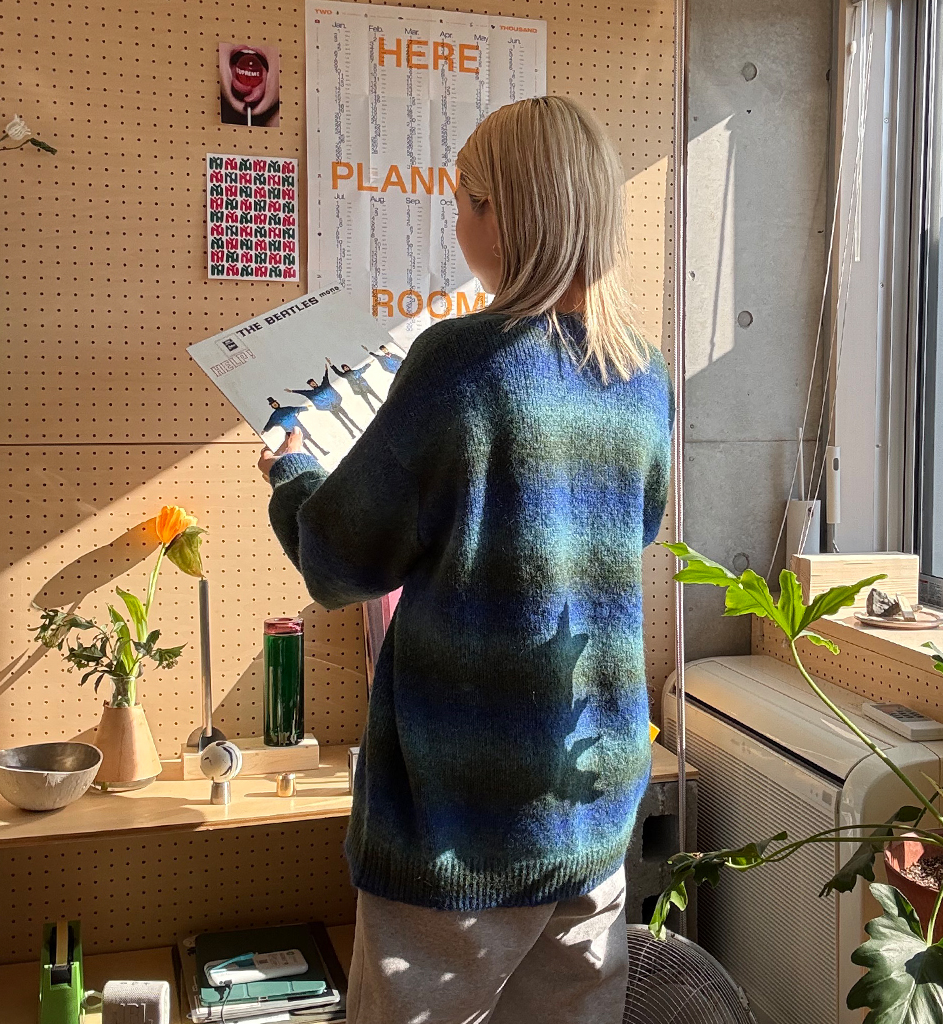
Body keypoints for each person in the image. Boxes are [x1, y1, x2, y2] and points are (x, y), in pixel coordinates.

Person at [259, 95, 673, 1024]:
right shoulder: (643, 375)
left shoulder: (461, 362)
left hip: (461, 818)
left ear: (502, 214)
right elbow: (629, 529)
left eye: (463, 203)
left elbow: (342, 558)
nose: (456, 226)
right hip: (591, 799)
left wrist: (293, 473)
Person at [286, 368, 362, 440]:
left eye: (313, 383)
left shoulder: (323, 386)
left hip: (336, 405)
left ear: (315, 382)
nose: (313, 384)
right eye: (311, 384)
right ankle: (351, 433)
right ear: (311, 386)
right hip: (331, 408)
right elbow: (303, 392)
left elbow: (326, 379)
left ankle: (358, 429)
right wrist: (292, 391)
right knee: (342, 421)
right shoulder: (313, 393)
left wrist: (326, 370)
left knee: (348, 418)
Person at [261, 397, 328, 458]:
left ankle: (322, 450)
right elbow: (270, 423)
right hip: (291, 431)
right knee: (303, 444)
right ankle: (314, 456)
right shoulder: (274, 416)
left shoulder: (287, 409)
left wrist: (308, 406)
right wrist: (264, 430)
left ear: (277, 403)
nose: (275, 405)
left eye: (275, 403)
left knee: (310, 439)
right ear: (272, 406)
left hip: (299, 427)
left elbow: (298, 408)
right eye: (273, 405)